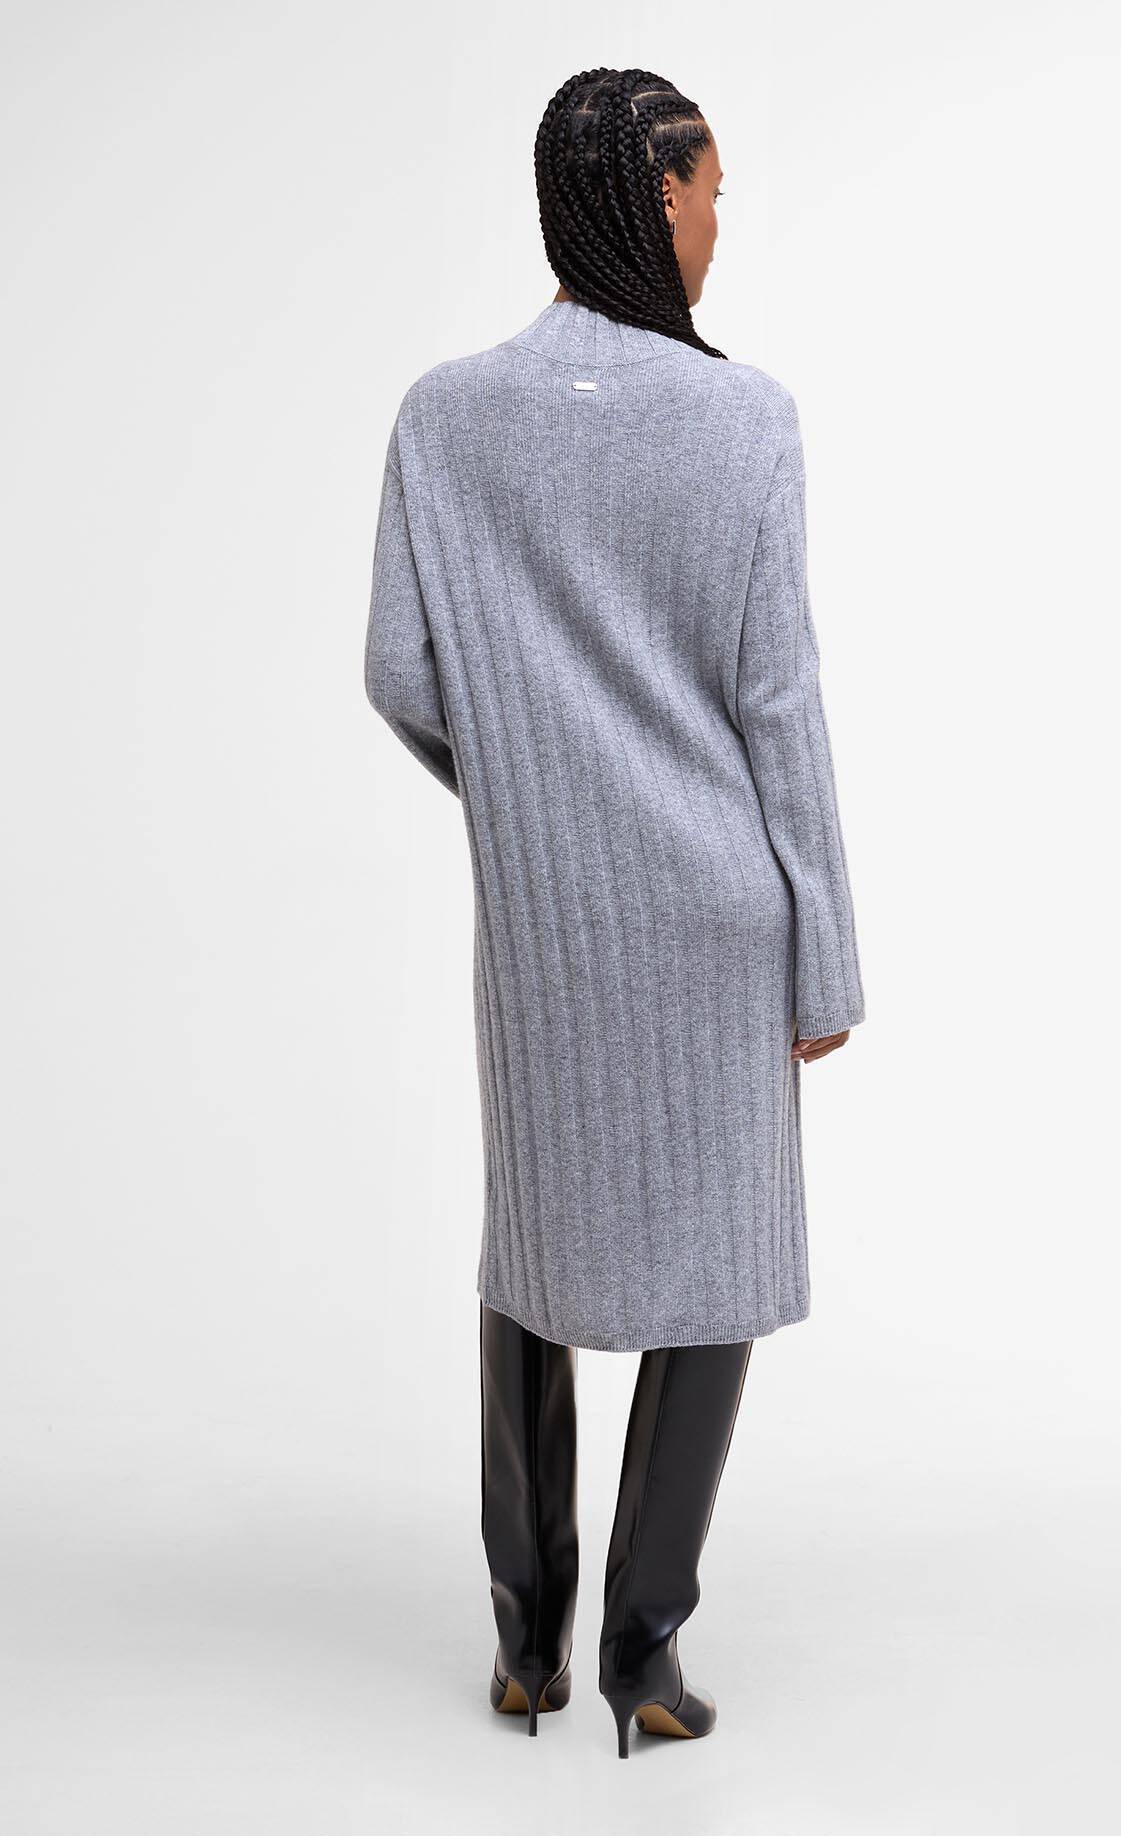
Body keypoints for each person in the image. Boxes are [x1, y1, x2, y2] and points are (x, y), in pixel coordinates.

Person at [364, 67, 864, 1758]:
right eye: (712, 190)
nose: (722, 223)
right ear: (656, 197)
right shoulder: (746, 422)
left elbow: (401, 671)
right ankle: (646, 1657)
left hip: (547, 928)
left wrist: (529, 800)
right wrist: (825, 955)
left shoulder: (446, 417)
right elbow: (778, 706)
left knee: (533, 1251)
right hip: (723, 920)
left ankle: (528, 1648)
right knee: (708, 1272)